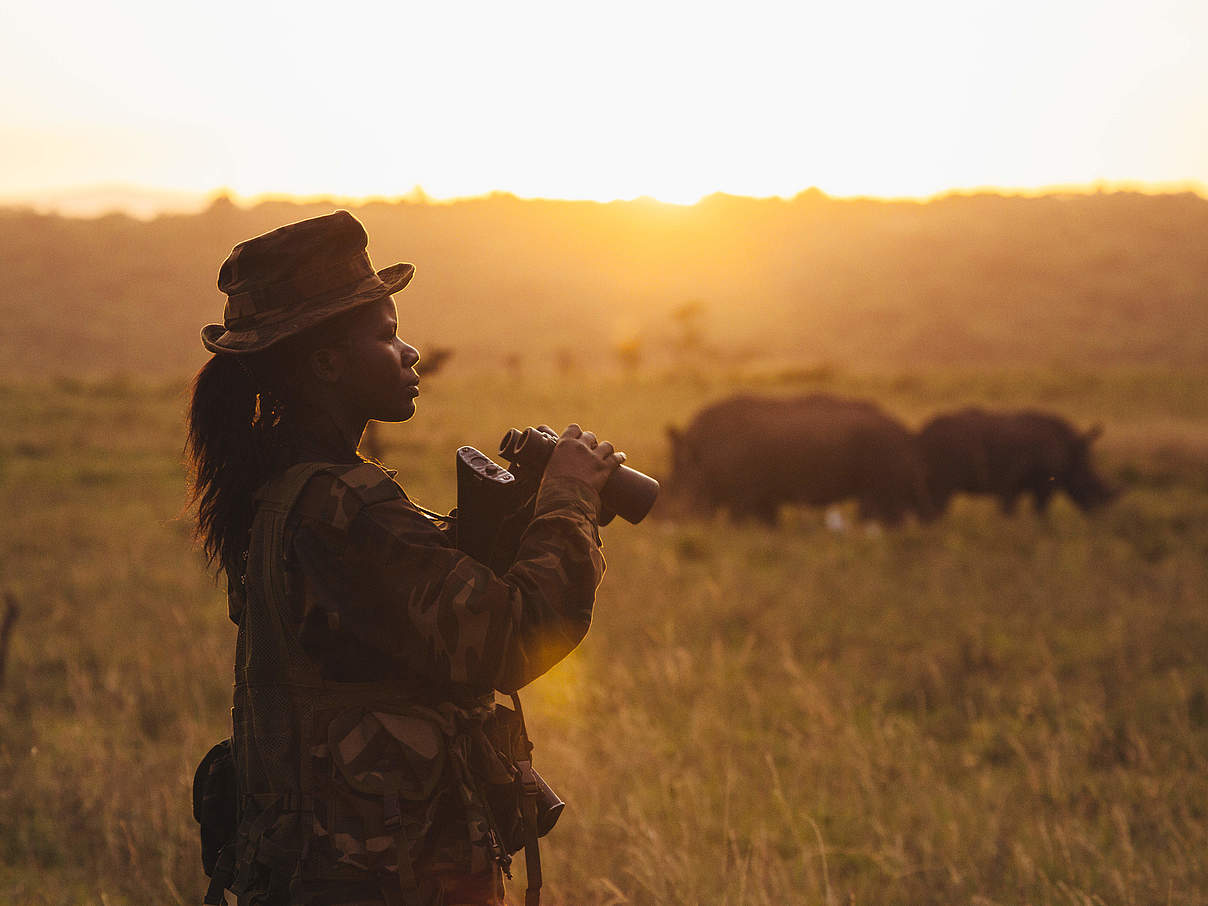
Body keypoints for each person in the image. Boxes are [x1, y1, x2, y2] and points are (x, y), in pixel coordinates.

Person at [187, 210, 623, 906]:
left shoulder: (283, 492)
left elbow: (398, 644)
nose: (410, 353)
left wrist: (511, 520)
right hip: (383, 881)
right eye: (387, 336)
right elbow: (513, 637)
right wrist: (569, 499)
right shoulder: (345, 509)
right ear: (326, 363)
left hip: (319, 872)